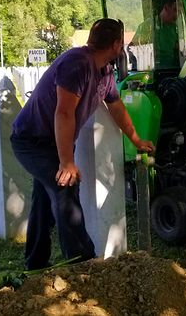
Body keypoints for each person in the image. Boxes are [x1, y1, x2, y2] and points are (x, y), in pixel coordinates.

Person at [11, 18, 155, 271]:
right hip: (32, 141)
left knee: (44, 204)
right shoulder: (77, 64)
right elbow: (63, 113)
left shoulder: (104, 71)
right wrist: (66, 162)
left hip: (55, 141)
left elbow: (116, 106)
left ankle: (34, 264)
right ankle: (83, 265)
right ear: (116, 44)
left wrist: (135, 139)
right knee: (65, 189)